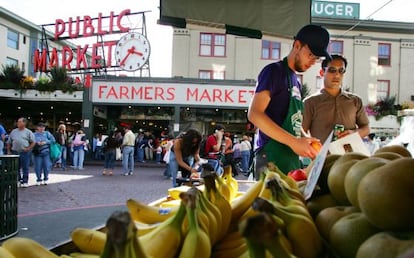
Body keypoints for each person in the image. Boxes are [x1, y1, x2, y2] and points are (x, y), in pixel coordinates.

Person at [248, 24, 330, 176]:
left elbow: (293, 123)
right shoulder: (273, 71)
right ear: (297, 45)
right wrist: (294, 142)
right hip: (270, 158)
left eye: (317, 58)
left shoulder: (296, 81)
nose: (313, 61)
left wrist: (306, 139)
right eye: (311, 54)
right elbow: (254, 114)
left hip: (290, 159)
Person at [302, 54, 370, 144]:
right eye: (332, 70)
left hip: (350, 156)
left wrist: (353, 133)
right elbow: (301, 132)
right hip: (323, 156)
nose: (337, 74)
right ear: (322, 72)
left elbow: (366, 128)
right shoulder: (310, 102)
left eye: (341, 70)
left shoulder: (355, 101)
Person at [6, 117, 36, 187]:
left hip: (24, 152)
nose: (18, 123)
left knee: (25, 167)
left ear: (24, 123)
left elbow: (33, 142)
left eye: (19, 122)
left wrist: (28, 148)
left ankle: (25, 181)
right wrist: (8, 150)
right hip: (15, 151)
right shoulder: (13, 131)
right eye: (18, 122)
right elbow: (9, 142)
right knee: (15, 167)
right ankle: (18, 180)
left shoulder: (28, 132)